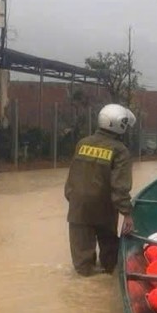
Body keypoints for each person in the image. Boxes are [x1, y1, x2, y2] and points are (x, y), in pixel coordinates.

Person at [64, 103, 136, 276]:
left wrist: (75, 200)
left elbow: (71, 180)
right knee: (110, 263)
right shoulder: (120, 151)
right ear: (119, 124)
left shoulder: (82, 144)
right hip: (104, 210)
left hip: (78, 209)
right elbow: (120, 187)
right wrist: (127, 214)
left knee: (82, 268)